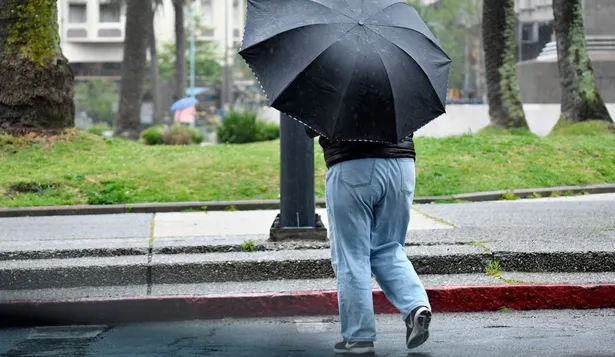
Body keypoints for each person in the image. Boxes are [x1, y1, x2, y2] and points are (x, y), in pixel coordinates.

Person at [305, 127, 431, 355]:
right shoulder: (398, 90)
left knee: (352, 255)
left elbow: (311, 127)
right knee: (389, 247)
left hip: (353, 165)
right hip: (401, 166)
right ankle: (415, 306)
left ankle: (359, 336)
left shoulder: (334, 89)